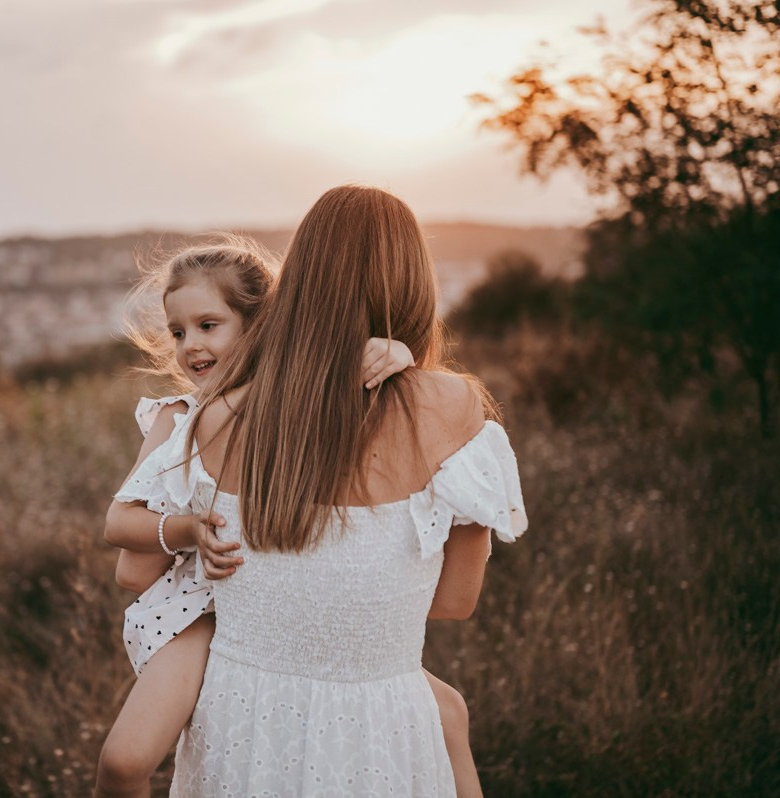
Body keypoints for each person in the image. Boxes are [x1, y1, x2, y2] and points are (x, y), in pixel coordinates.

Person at [167, 186, 528, 796]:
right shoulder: (452, 408)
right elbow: (454, 601)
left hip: (240, 714)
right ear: (413, 283)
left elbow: (154, 560)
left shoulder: (216, 417)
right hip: (377, 723)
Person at [95, 236, 485, 797]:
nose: (189, 346)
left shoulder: (287, 405)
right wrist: (185, 531)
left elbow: (361, 401)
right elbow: (122, 539)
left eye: (209, 325)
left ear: (260, 327)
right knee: (124, 761)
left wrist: (398, 355)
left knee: (447, 712)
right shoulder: (178, 415)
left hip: (292, 607)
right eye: (177, 332)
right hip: (201, 612)